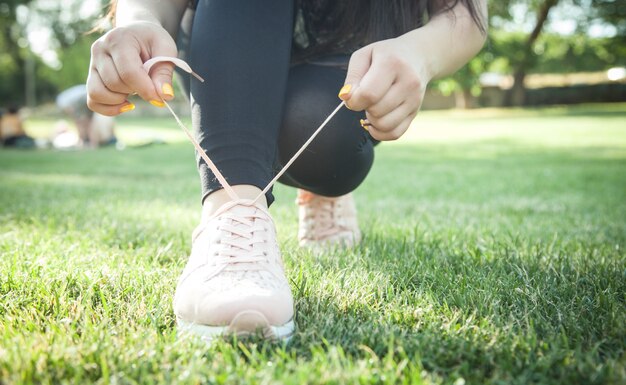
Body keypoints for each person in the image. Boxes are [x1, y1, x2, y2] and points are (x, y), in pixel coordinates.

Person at [87, 0, 487, 341]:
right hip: (226, 44)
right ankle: (234, 212)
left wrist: (421, 52)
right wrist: (139, 22)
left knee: (318, 132)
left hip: (343, 59)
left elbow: (465, 15)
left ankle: (322, 188)